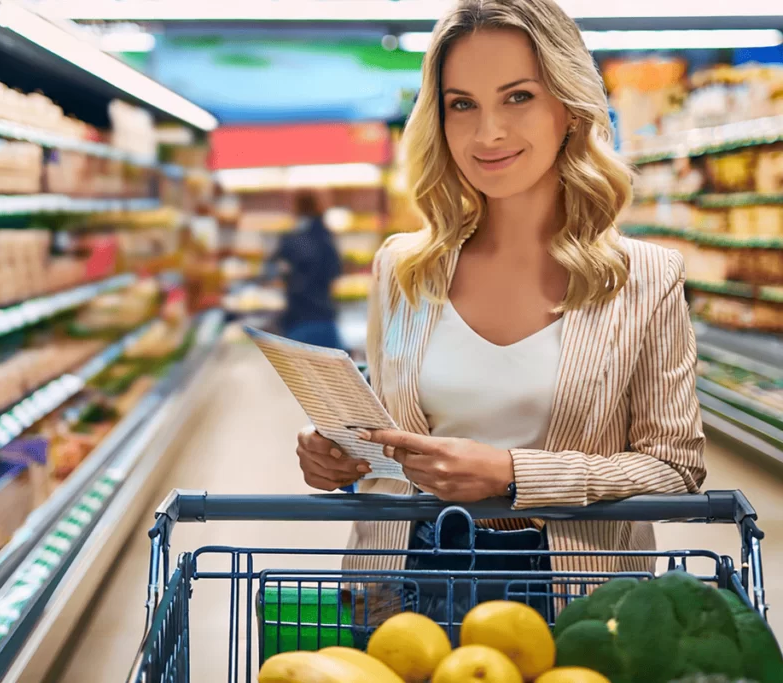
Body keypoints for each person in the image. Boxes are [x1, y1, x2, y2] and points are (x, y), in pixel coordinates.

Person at [293, 0, 706, 625]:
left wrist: (513, 474)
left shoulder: (644, 278)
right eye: (462, 104)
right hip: (407, 590)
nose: (487, 133)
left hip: (580, 600)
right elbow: (389, 427)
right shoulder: (403, 269)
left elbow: (676, 467)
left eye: (517, 97)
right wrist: (343, 453)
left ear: (569, 107)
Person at [269, 191, 344, 349]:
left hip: (299, 319)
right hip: (325, 317)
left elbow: (272, 270)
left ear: (296, 208)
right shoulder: (326, 237)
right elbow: (336, 271)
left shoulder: (292, 240)